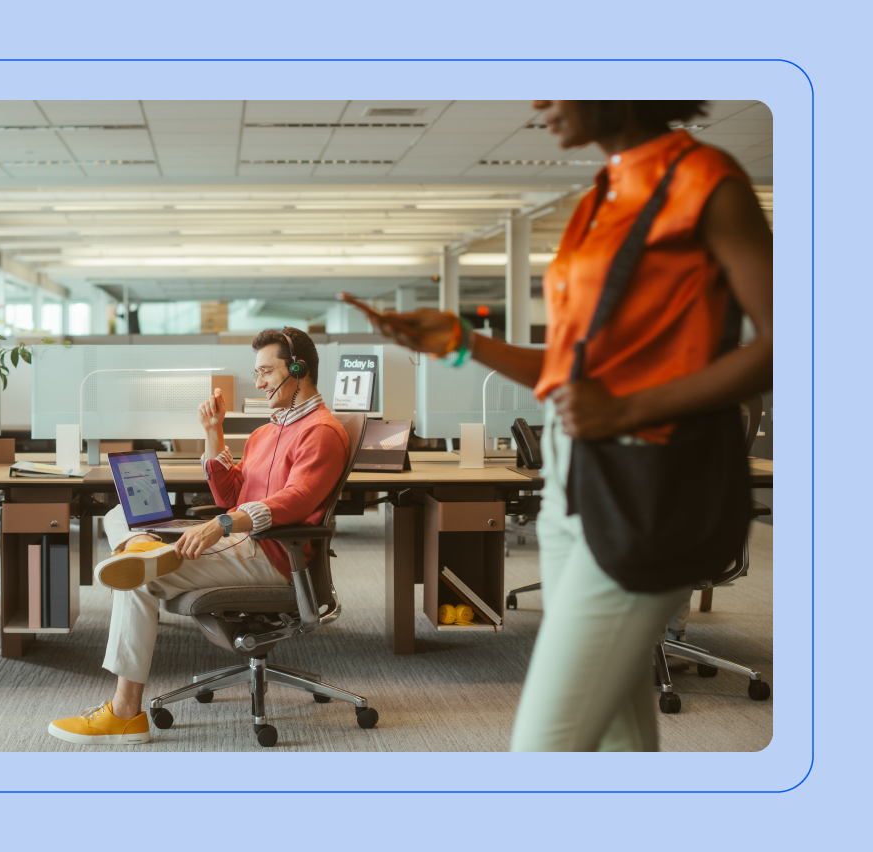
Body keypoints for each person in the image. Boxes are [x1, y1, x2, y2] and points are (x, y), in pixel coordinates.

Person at [366, 100, 773, 751]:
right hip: (569, 475)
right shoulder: (598, 199)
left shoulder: (704, 179)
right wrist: (462, 342)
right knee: (615, 731)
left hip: (651, 481)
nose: (539, 101)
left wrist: (628, 408)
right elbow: (572, 367)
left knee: (544, 747)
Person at [47, 327, 350, 745]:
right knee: (121, 512)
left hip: (272, 556)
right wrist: (214, 432)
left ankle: (124, 713)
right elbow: (230, 494)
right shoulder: (267, 432)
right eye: (256, 372)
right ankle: (142, 547)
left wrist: (223, 524)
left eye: (266, 372)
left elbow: (296, 500)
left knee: (136, 579)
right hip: (240, 543)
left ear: (298, 369)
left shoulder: (322, 431)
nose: (258, 382)